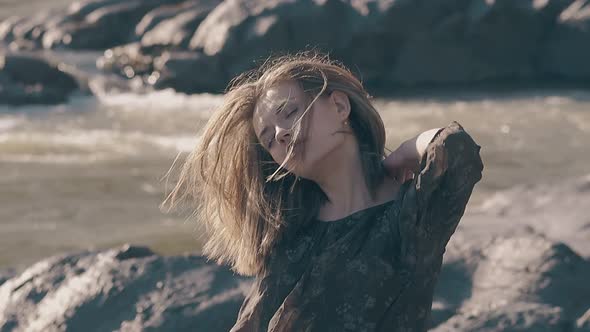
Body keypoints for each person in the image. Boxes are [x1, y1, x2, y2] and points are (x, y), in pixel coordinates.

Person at [161, 51, 484, 331]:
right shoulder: (290, 236)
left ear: (340, 106)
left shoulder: (410, 215)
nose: (282, 134)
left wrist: (407, 149)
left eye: (289, 112)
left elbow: (457, 150)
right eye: (269, 139)